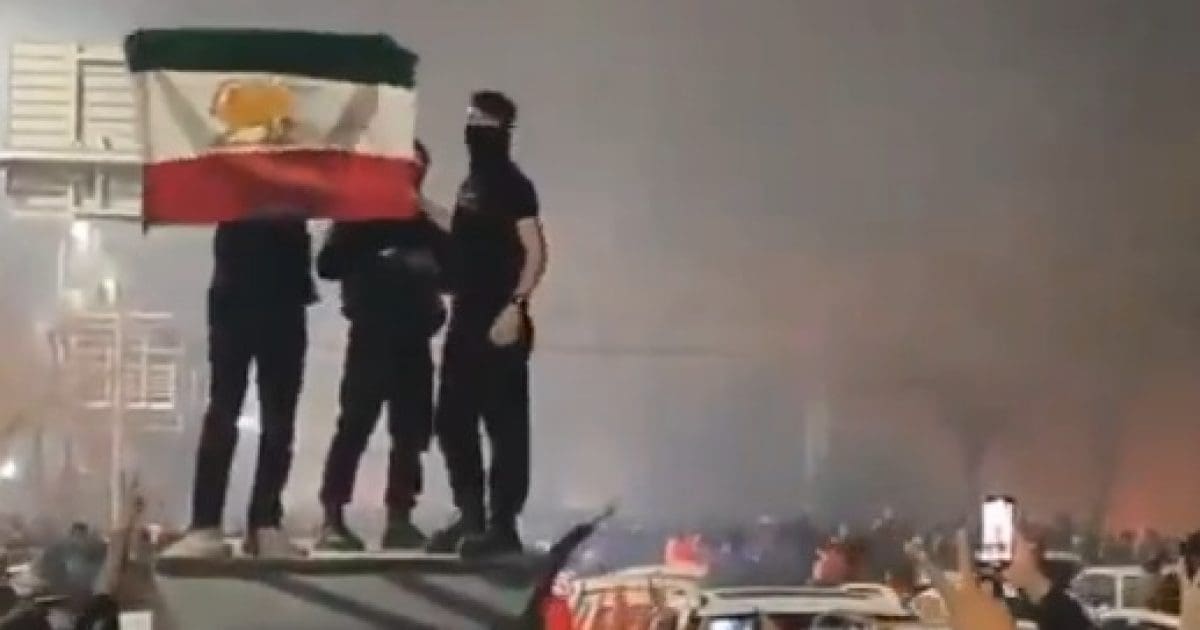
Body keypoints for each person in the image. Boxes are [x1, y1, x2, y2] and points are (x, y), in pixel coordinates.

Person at [427, 91, 547, 558]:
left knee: (504, 426)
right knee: (452, 420)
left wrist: (515, 305)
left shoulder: (513, 184)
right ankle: (471, 514)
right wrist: (419, 205)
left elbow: (535, 250)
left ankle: (502, 525)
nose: (473, 127)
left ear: (501, 128)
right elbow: (465, 233)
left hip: (500, 317)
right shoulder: (471, 185)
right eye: (470, 118)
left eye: (481, 120)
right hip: (466, 315)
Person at [314, 141, 448, 551]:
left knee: (410, 432)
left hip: (414, 339)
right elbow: (328, 264)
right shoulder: (362, 215)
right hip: (371, 336)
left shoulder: (425, 224)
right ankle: (333, 516)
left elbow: (457, 271)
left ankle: (400, 517)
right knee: (355, 425)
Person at [165, 217, 316, 559]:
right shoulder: (250, 191)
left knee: (272, 419)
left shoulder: (283, 196)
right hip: (245, 297)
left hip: (271, 298)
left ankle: (259, 522)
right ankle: (212, 523)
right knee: (232, 411)